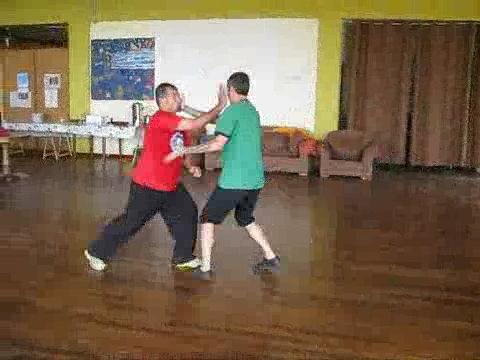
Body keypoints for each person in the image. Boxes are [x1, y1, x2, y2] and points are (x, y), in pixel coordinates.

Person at [84, 82, 227, 272]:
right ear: (163, 100)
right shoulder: (161, 118)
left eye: (178, 95)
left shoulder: (177, 122)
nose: (179, 98)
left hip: (170, 186)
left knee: (188, 213)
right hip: (148, 186)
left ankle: (182, 257)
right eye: (174, 95)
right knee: (130, 223)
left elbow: (178, 149)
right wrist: (219, 105)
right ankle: (96, 251)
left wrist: (190, 166)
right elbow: (196, 123)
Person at [164, 72, 280, 276]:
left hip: (235, 180)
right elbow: (217, 119)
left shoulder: (232, 112)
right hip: (255, 180)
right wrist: (186, 108)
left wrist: (185, 151)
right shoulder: (251, 111)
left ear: (231, 90)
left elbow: (217, 143)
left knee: (207, 218)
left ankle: (206, 268)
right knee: (245, 218)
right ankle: (271, 256)